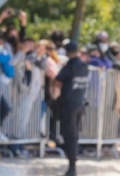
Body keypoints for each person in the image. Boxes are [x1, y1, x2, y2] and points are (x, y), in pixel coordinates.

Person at [54, 41, 89, 176]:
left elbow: (58, 80)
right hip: (79, 104)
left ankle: (72, 166)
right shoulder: (84, 66)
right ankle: (72, 163)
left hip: (68, 105)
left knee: (69, 135)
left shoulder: (69, 66)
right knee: (73, 135)